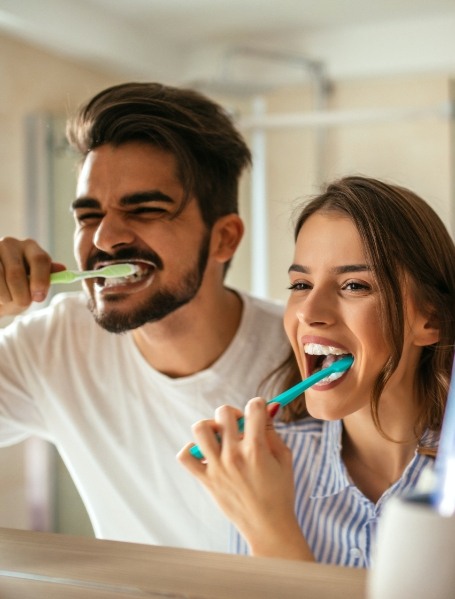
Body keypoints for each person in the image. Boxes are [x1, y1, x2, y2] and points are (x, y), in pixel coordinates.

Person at [0, 82, 291, 551]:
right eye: (89, 215)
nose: (104, 239)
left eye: (146, 209)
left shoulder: (304, 360)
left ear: (224, 239)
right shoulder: (56, 341)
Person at [178, 176, 455, 567]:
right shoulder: (261, 472)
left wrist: (270, 530)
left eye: (354, 285)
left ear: (432, 320)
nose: (308, 311)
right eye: (301, 284)